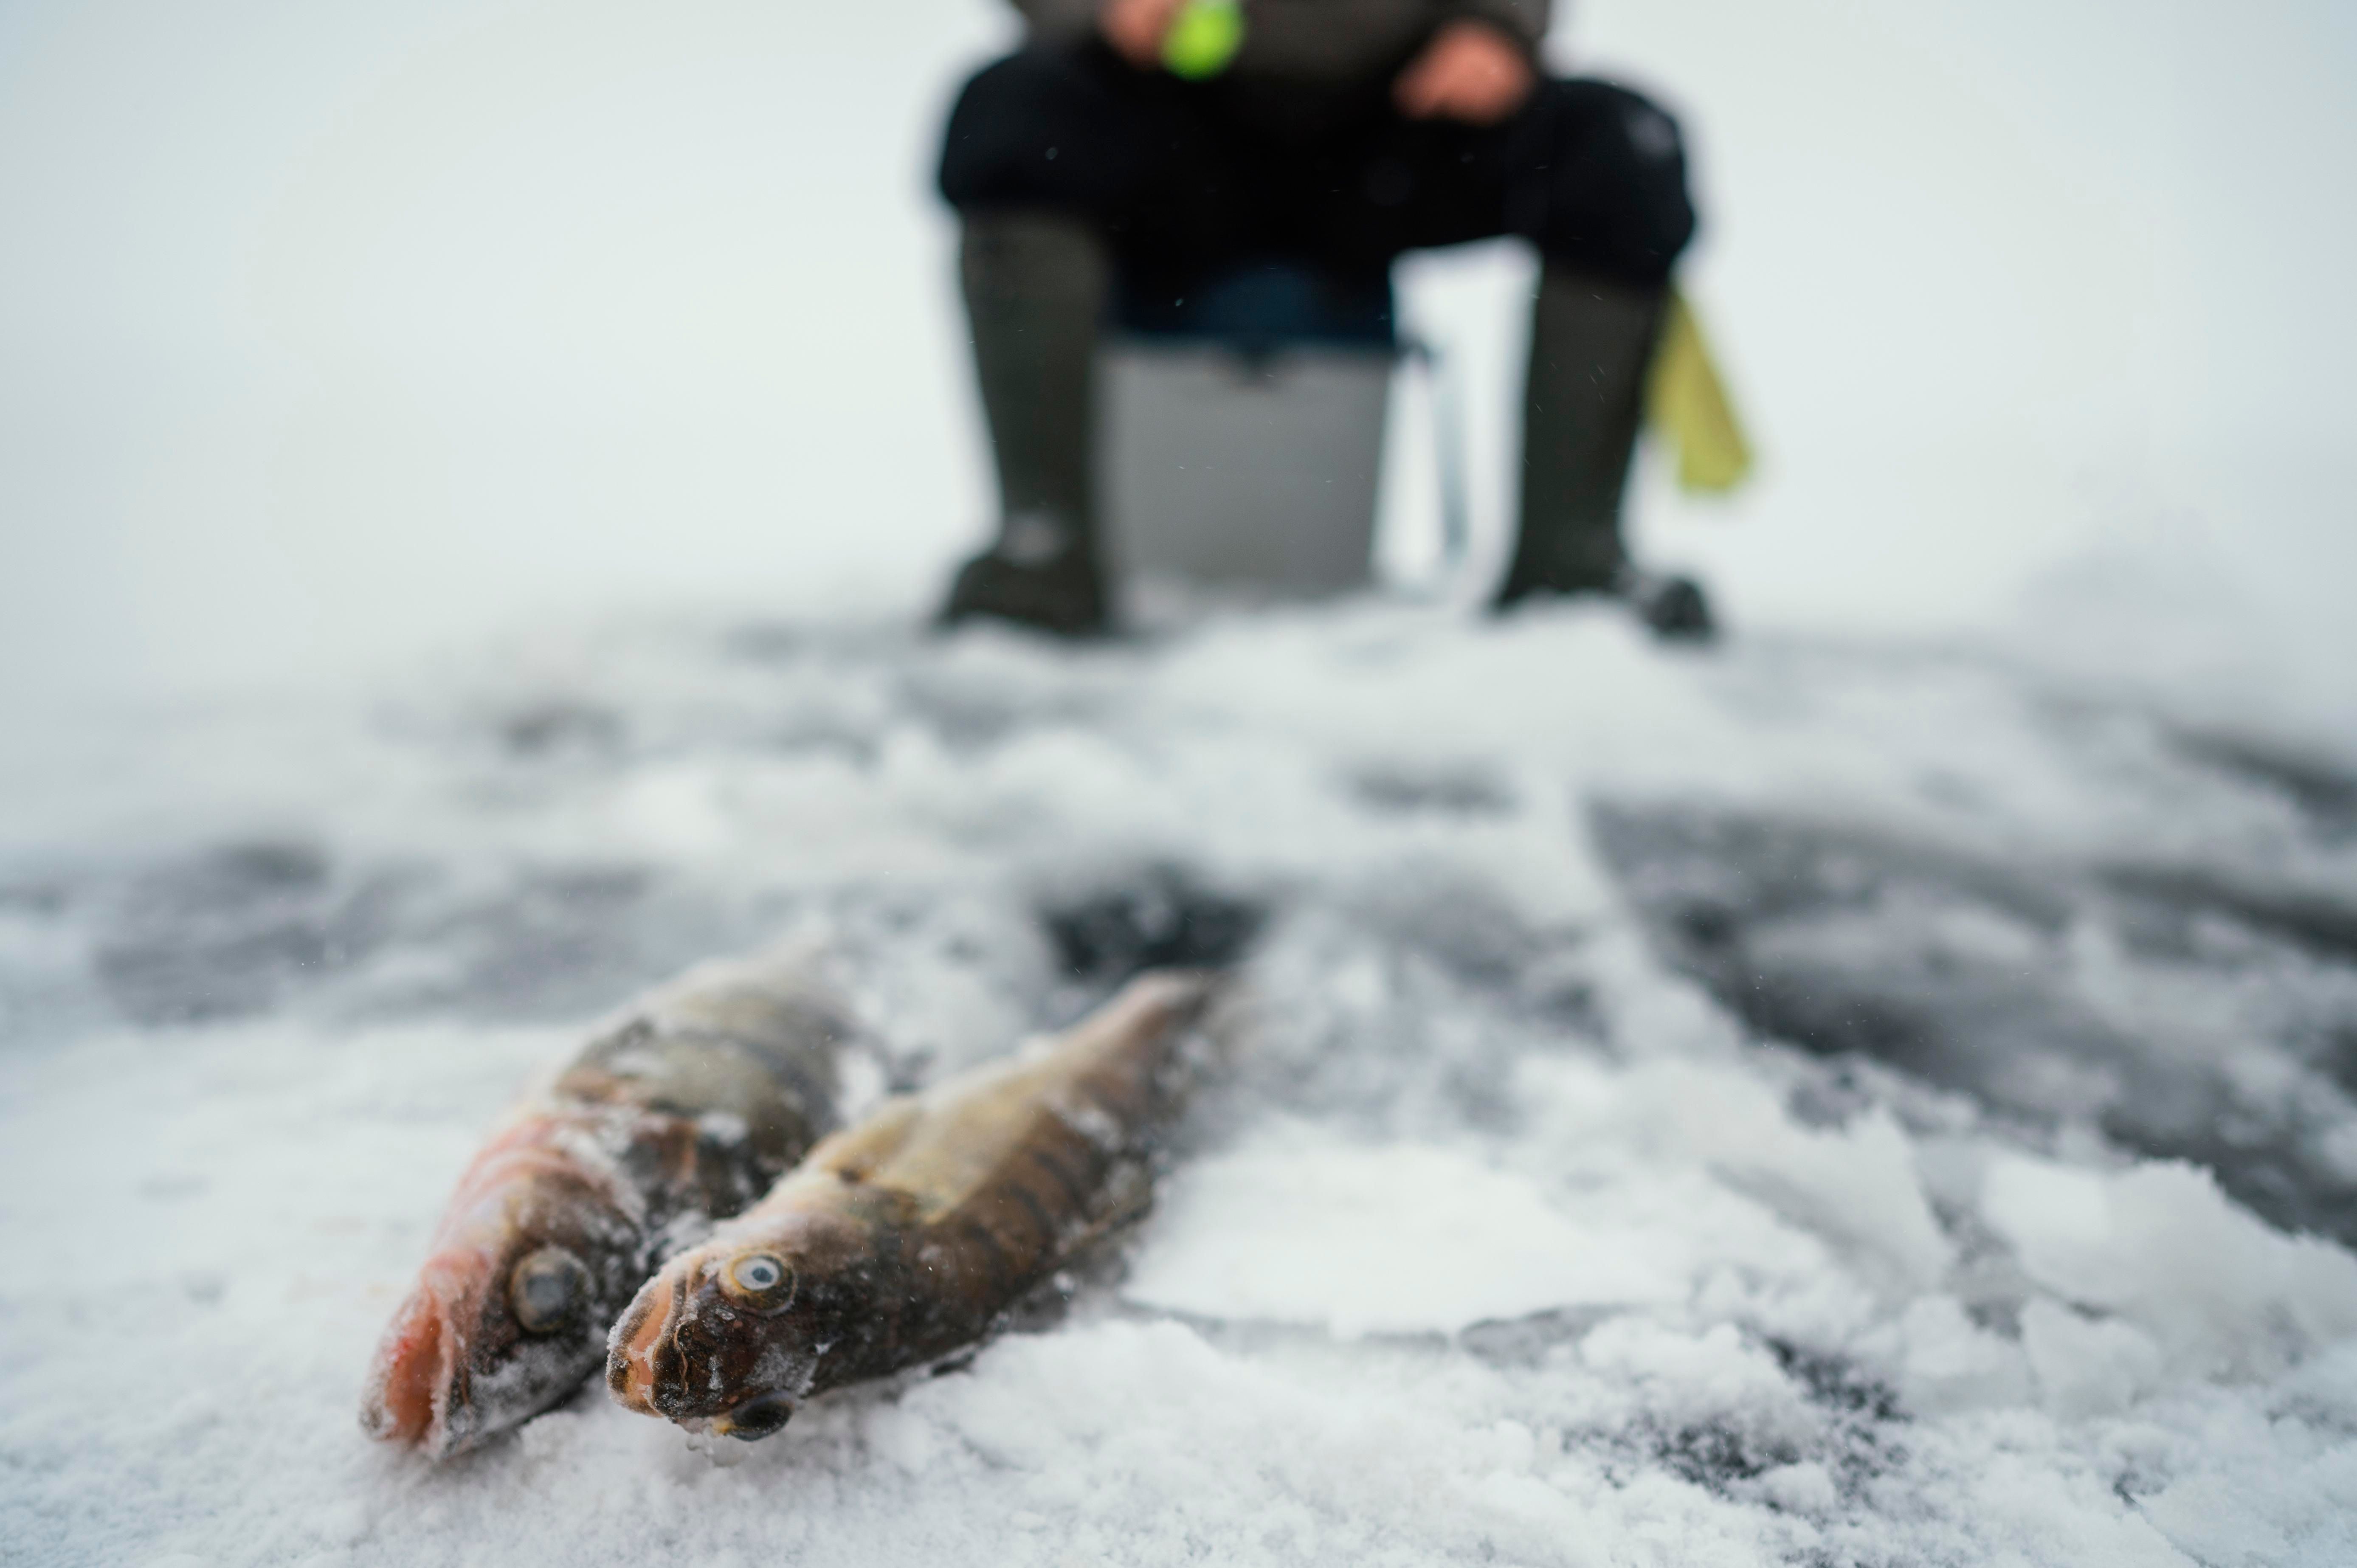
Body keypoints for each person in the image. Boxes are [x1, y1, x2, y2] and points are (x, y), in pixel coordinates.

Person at [935, 0, 1711, 639]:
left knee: (1621, 149)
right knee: (1011, 116)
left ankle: (1569, 572)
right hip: (1165, 107)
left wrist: (1497, 27)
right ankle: (1043, 557)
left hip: (1408, 115)